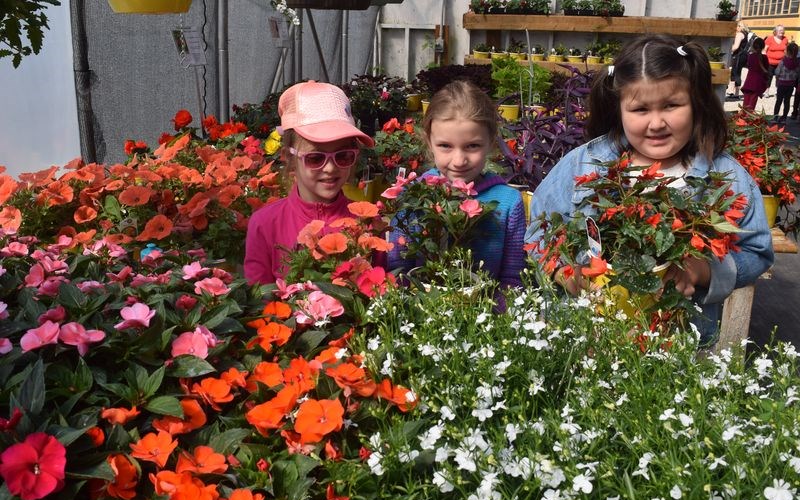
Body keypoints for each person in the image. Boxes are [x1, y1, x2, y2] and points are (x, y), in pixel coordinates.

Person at [524, 34, 774, 345]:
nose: (656, 123)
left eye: (671, 105)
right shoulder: (582, 164)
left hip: (676, 345)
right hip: (585, 339)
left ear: (696, 103)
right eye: (640, 109)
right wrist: (566, 274)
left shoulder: (726, 176)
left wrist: (704, 270)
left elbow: (758, 251)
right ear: (619, 110)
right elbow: (537, 236)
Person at [387, 79, 527, 288]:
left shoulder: (508, 202)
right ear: (429, 141)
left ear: (491, 141)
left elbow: (513, 280)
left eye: (472, 146)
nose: (459, 161)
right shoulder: (414, 195)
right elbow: (397, 268)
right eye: (445, 146)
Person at [244, 80, 375, 284]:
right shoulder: (265, 224)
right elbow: (259, 303)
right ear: (289, 157)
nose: (330, 168)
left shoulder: (366, 221)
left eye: (343, 156)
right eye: (315, 158)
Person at [773, 42, 799, 123]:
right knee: (787, 101)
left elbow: (777, 72)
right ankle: (784, 118)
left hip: (782, 83)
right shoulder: (797, 63)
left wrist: (777, 79)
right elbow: (798, 73)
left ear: (787, 51)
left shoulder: (783, 61)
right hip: (790, 85)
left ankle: (775, 117)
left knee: (778, 101)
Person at [727, 21, 753, 100]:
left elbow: (736, 46)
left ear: (740, 26)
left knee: (735, 73)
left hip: (738, 55)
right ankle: (735, 92)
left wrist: (728, 50)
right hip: (743, 56)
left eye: (737, 26)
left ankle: (736, 93)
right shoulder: (745, 34)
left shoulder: (739, 34)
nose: (736, 28)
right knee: (738, 72)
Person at [741, 37, 769, 111]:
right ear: (763, 46)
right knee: (752, 103)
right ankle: (749, 118)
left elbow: (749, 66)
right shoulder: (764, 57)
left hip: (749, 81)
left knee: (746, 101)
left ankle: (742, 117)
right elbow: (766, 70)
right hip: (757, 82)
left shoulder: (750, 56)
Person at [764, 25, 788, 96]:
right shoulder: (769, 39)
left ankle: (778, 91)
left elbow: (786, 51)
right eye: (780, 30)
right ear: (775, 31)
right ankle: (766, 91)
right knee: (769, 76)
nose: (782, 32)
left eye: (783, 30)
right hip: (770, 62)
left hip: (781, 63)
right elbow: (765, 50)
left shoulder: (785, 39)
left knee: (779, 77)